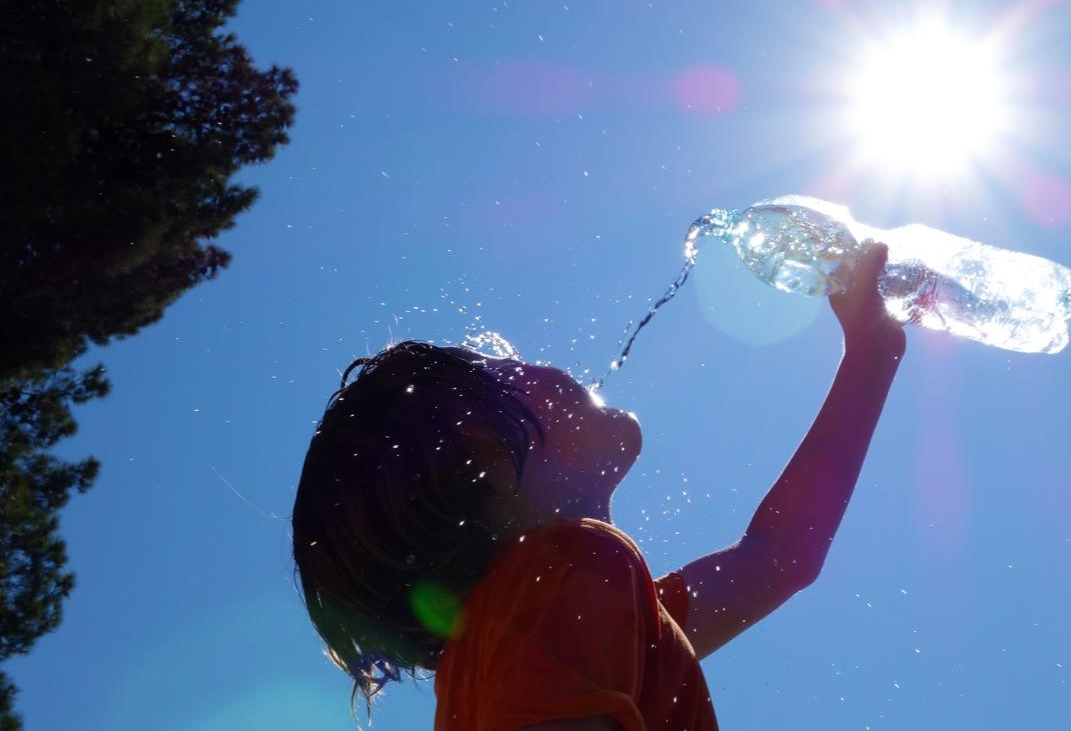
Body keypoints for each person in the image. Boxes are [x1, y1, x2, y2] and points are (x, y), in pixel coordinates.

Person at [292, 242, 905, 730]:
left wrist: (872, 352)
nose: (539, 364)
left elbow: (779, 557)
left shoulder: (559, 621)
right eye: (505, 370)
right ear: (483, 451)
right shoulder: (562, 572)